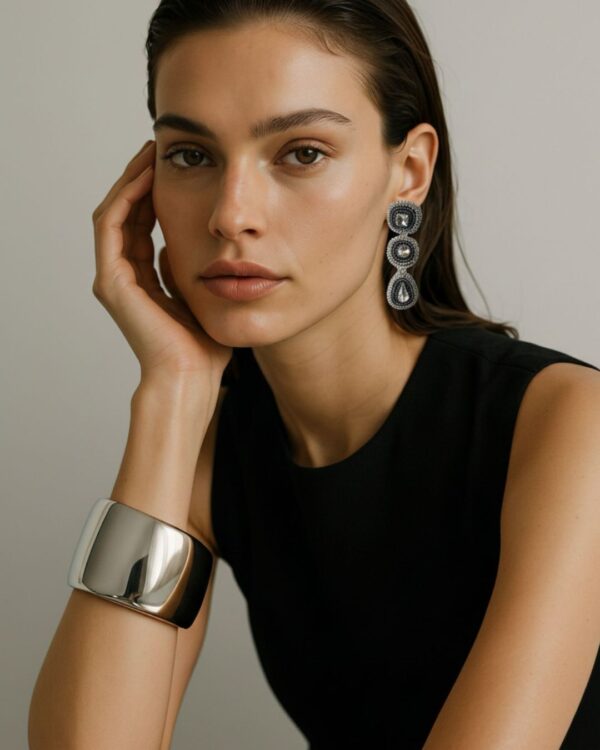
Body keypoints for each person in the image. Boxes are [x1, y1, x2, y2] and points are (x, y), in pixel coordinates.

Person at [28, 1, 600, 749]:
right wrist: (171, 394)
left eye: (301, 152)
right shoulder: (208, 448)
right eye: (192, 155)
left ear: (409, 171)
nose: (231, 215)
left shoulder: (567, 425)